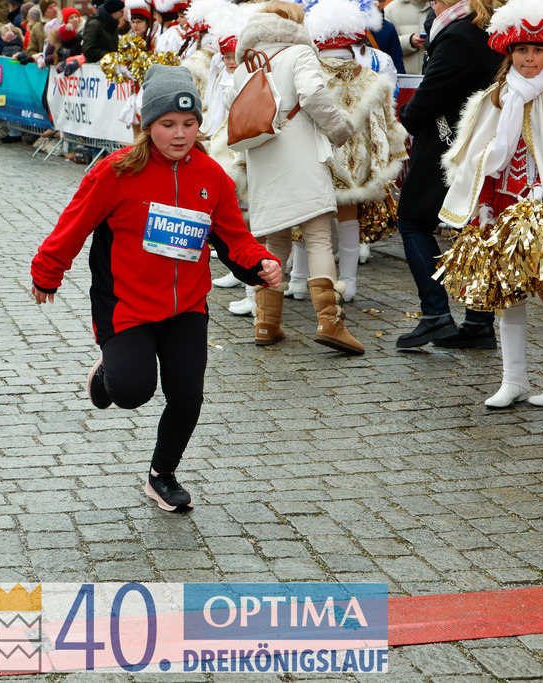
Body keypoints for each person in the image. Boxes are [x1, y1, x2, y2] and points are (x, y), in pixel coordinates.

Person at [31, 65, 282, 512]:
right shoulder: (116, 172)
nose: (180, 134)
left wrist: (260, 262)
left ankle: (161, 475)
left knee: (188, 395)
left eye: (189, 124)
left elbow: (232, 238)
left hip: (186, 306)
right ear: (147, 126)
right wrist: (48, 270)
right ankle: (107, 377)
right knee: (132, 392)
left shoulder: (211, 176)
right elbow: (75, 223)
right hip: (126, 305)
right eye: (167, 124)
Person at [437, 0, 543, 408]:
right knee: (505, 289)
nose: (530, 58)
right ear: (509, 52)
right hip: (499, 203)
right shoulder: (493, 98)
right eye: (523, 50)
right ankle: (514, 379)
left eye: (539, 50)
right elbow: (472, 150)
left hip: (540, 208)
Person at [228, 1, 360, 353]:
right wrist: (340, 128)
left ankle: (266, 324)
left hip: (263, 160)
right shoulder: (299, 52)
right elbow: (313, 94)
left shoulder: (245, 63)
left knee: (274, 244)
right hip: (300, 156)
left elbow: (231, 106)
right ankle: (330, 323)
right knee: (318, 238)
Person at [394, 0, 500, 350]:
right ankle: (478, 321)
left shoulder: (459, 33)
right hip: (470, 138)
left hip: (447, 141)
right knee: (473, 225)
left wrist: (405, 117)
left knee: (412, 219)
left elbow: (434, 89)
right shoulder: (476, 27)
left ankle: (436, 314)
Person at [305, 0, 407, 304]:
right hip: (357, 165)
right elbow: (387, 126)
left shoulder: (309, 76)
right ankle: (348, 283)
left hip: (315, 160)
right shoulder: (372, 77)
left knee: (309, 225)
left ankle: (303, 281)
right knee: (349, 220)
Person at [385, 0, 429, 74]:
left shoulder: (443, 6)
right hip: (405, 78)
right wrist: (409, 41)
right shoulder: (391, 9)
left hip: (434, 77)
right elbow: (384, 44)